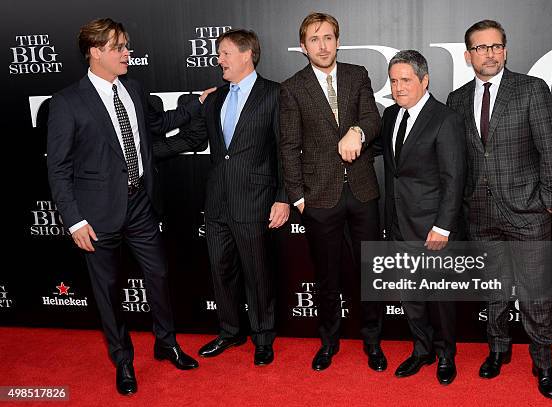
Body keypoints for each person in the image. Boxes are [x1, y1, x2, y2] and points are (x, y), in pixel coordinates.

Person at [47, 18, 202, 396]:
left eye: (125, 46)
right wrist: (74, 221)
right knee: (107, 290)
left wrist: (196, 103)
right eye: (118, 47)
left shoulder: (133, 88)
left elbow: (156, 124)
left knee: (160, 276)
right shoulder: (67, 102)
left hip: (140, 204)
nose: (126, 53)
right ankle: (123, 360)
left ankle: (166, 343)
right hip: (96, 216)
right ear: (95, 52)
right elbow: (58, 167)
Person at [154, 29, 289, 366]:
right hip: (217, 202)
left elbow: (287, 150)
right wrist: (143, 153)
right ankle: (230, 331)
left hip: (256, 200)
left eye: (226, 53)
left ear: (247, 55)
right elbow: (193, 139)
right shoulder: (214, 98)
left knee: (257, 273)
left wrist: (283, 196)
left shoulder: (274, 94)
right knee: (221, 269)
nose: (219, 60)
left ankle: (262, 337)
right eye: (219, 54)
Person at [447, 19, 552, 399]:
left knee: (535, 292)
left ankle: (543, 362)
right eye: (481, 48)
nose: (490, 53)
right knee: (493, 290)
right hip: (480, 214)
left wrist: (548, 203)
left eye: (496, 46)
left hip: (527, 212)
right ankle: (498, 349)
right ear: (468, 56)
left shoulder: (531, 89)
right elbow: (458, 162)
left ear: (505, 50)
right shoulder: (458, 99)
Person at [279, 12, 385, 372]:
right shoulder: (292, 88)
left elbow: (373, 118)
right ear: (303, 46)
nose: (322, 45)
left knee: (368, 272)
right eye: (314, 39)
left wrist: (357, 130)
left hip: (362, 191)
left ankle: (372, 341)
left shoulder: (358, 75)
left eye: (328, 37)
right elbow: (289, 146)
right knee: (326, 277)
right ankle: (329, 341)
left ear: (338, 40)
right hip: (318, 198)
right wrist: (298, 197)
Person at [379, 50, 465, 384]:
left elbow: (454, 178)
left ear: (424, 80)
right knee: (410, 296)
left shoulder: (444, 119)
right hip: (399, 223)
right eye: (394, 80)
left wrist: (443, 226)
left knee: (439, 298)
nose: (398, 88)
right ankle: (422, 349)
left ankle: (446, 355)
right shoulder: (389, 115)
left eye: (406, 80)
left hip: (433, 227)